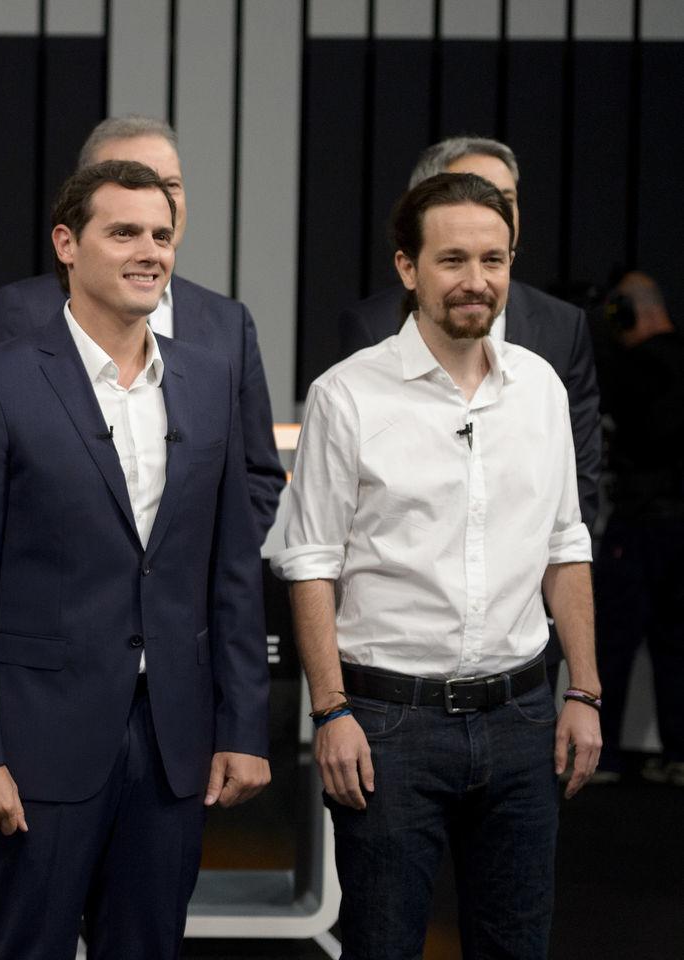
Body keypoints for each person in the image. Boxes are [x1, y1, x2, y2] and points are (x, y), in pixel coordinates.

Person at [0, 160, 271, 959]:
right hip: (38, 741)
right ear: (67, 243)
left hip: (174, 740)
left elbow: (231, 575)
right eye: (124, 233)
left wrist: (244, 727)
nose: (150, 251)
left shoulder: (208, 380)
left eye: (161, 235)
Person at [277, 173, 602, 959]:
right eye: (452, 259)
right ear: (408, 267)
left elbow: (566, 544)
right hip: (387, 724)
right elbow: (311, 561)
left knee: (516, 947)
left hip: (523, 718)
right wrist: (330, 713)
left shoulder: (540, 388)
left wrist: (585, 691)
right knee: (383, 946)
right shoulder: (346, 395)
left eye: (494, 259)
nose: (475, 280)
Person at [0, 115, 285, 535]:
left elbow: (256, 476)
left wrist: (198, 560)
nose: (151, 197)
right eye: (127, 180)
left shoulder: (229, 322)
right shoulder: (21, 311)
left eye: (169, 185)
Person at [337, 136, 601, 528]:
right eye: (468, 191)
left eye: (505, 198)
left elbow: (578, 479)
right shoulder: (368, 331)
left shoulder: (562, 328)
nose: (487, 210)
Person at [591, 270, 684, 785]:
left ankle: (602, 755)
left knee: (612, 642)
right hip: (676, 524)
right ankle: (678, 755)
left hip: (639, 523)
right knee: (677, 645)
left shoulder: (630, 369)